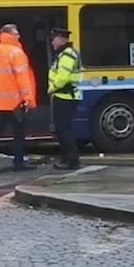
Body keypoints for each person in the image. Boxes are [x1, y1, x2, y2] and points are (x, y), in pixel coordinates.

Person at [0, 24, 38, 173]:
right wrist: (29, 99)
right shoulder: (17, 52)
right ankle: (18, 163)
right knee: (19, 133)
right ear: (10, 35)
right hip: (15, 102)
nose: (19, 36)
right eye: (16, 34)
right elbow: (23, 78)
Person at [48, 27, 82, 170]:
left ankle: (71, 160)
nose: (52, 43)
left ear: (61, 39)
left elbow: (63, 77)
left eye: (54, 39)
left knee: (63, 130)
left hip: (65, 96)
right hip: (64, 96)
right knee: (62, 129)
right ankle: (67, 158)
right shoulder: (65, 53)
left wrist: (51, 88)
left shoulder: (67, 55)